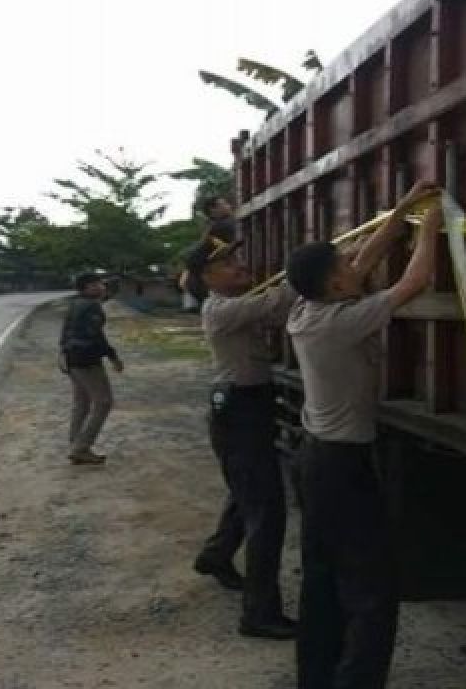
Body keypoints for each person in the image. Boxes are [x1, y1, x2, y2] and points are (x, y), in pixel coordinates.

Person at [286, 180, 442, 689]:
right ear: (334, 286)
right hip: (343, 469)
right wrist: (434, 227)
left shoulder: (306, 310)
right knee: (373, 586)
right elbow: (413, 282)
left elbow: (367, 258)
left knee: (323, 576)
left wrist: (400, 212)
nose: (356, 265)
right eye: (345, 267)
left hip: (315, 461)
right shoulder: (343, 321)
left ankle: (316, 675)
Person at [185, 235, 299, 640]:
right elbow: (285, 298)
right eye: (229, 263)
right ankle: (259, 613)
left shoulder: (236, 306)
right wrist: (313, 264)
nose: (240, 266)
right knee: (266, 512)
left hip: (246, 409)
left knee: (247, 493)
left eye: (238, 259)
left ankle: (216, 556)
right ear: (207, 276)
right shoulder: (224, 310)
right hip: (240, 413)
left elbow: (277, 311)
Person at [58, 273, 124, 465]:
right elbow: (96, 336)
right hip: (87, 360)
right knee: (103, 402)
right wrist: (113, 357)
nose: (101, 287)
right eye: (96, 284)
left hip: (71, 358)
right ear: (87, 288)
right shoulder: (91, 307)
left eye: (101, 283)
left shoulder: (75, 304)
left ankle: (75, 445)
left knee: (82, 403)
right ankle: (81, 448)